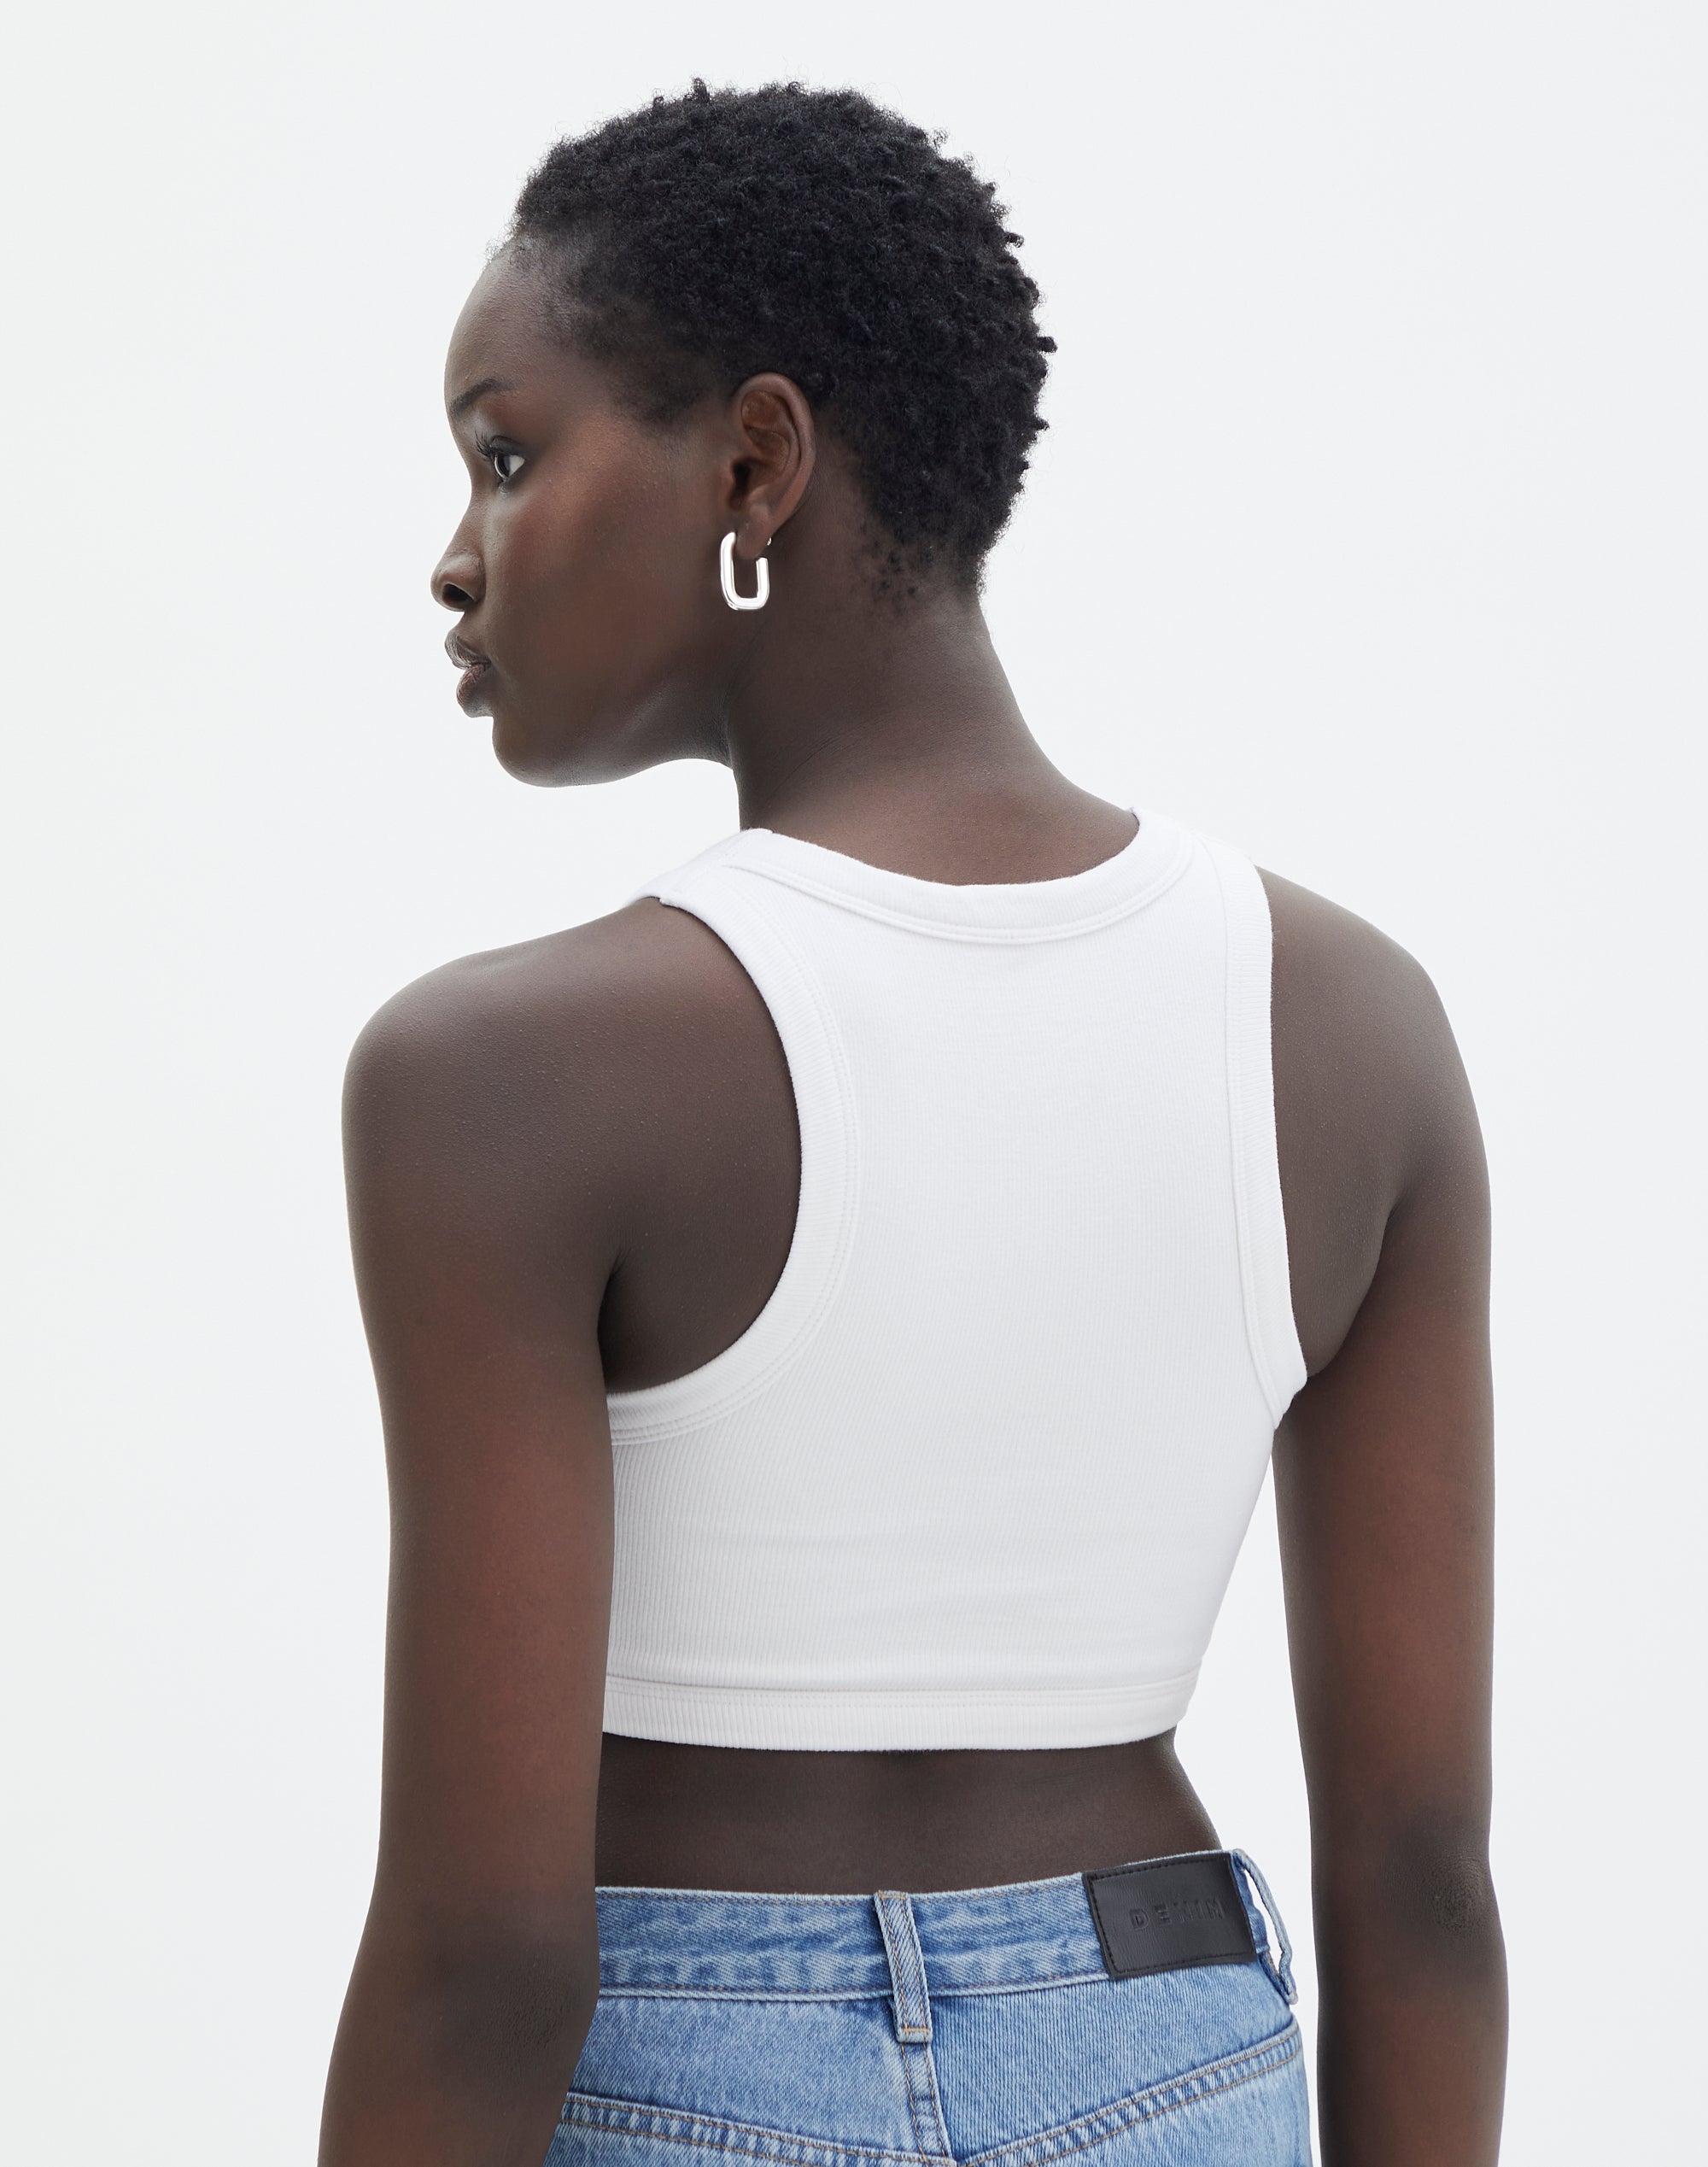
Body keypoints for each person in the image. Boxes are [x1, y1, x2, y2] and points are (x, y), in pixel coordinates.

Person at [318, 79, 1506, 2167]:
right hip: (1170, 2055)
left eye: (506, 454)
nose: (453, 558)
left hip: (683, 2074)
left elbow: (484, 1959)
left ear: (753, 466)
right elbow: (1417, 1877)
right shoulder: (1351, 1027)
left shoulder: (502, 1076)